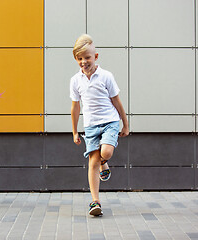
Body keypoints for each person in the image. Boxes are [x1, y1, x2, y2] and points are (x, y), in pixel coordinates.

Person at [70, 34, 129, 216]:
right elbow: (75, 107)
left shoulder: (106, 76)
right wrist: (74, 132)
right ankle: (95, 202)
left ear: (95, 57)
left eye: (87, 57)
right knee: (93, 162)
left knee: (106, 152)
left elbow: (117, 101)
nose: (83, 62)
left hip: (110, 122)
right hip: (91, 126)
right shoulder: (75, 81)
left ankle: (105, 162)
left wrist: (125, 124)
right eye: (79, 58)